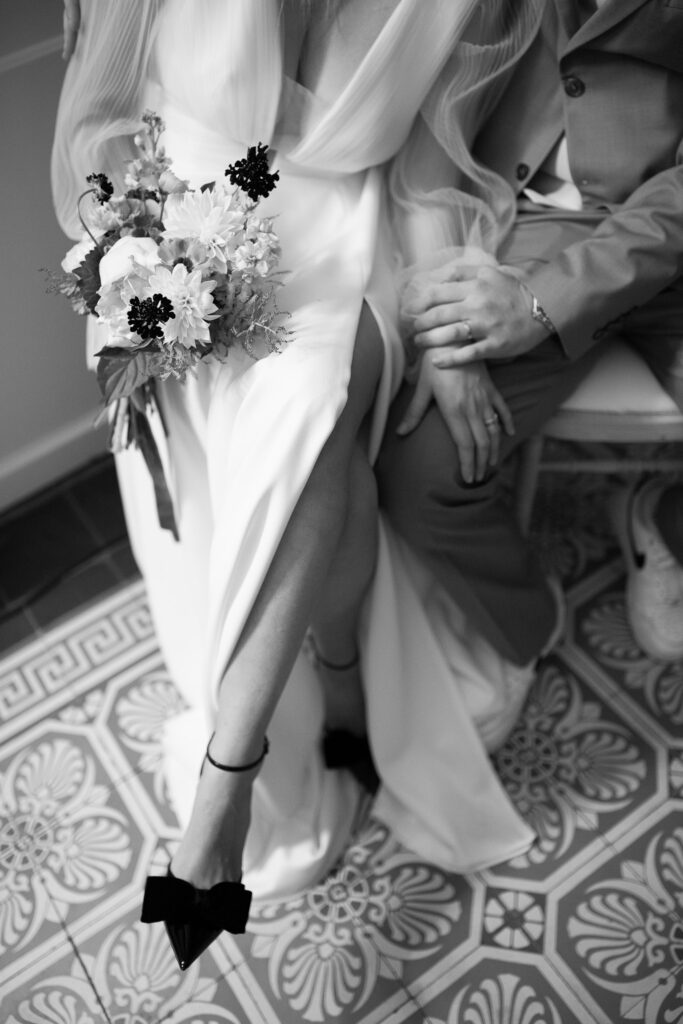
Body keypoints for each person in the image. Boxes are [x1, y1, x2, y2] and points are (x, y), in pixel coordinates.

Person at [53, 0, 548, 971]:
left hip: (353, 218)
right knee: (307, 427)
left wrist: (444, 331)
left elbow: (431, 165)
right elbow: (108, 106)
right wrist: (128, 243)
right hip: (180, 218)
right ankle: (331, 694)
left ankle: (223, 784)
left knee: (309, 393)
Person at [377, 0, 683, 681]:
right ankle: (529, 632)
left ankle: (663, 516)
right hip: (523, 223)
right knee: (421, 466)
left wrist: (546, 304)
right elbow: (427, 157)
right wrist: (447, 326)